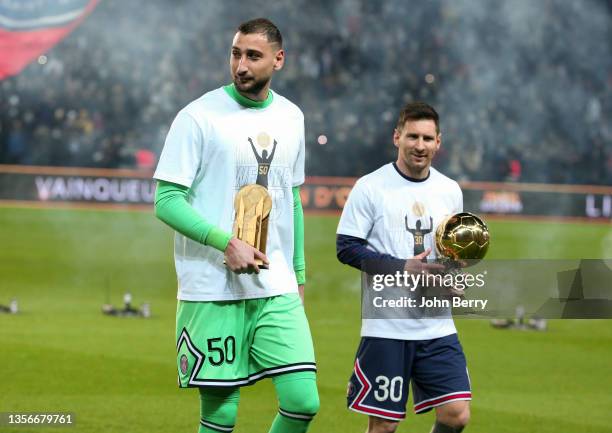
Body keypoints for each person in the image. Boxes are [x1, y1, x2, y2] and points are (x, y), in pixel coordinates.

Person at [153, 18, 319, 433]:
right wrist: (225, 242)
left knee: (303, 402)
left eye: (253, 56)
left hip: (274, 285)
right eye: (236, 54)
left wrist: (297, 272)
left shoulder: (291, 117)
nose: (241, 65)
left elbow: (291, 198)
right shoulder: (198, 117)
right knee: (221, 416)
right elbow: (166, 201)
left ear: (278, 60)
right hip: (212, 287)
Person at [336, 102, 471, 433]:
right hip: (387, 328)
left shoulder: (450, 191)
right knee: (384, 426)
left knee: (456, 414)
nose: (420, 146)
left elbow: (448, 253)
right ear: (397, 137)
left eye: (427, 138)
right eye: (412, 136)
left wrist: (452, 277)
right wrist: (401, 268)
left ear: (439, 142)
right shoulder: (371, 187)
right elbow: (346, 248)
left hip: (437, 327)